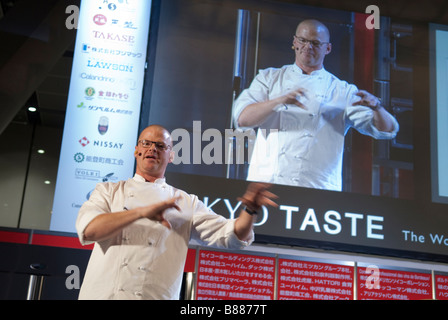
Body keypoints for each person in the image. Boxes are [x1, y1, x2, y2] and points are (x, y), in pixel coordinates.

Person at [75, 124, 277, 300]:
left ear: (170, 155)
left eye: (161, 146)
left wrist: (250, 210)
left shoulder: (186, 202)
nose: (152, 149)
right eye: (146, 143)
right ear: (136, 150)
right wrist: (141, 212)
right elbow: (90, 230)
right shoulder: (109, 191)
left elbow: (232, 235)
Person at [233, 19, 399, 191]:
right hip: (266, 183)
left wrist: (377, 108)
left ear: (327, 48)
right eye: (303, 41)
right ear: (294, 42)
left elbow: (386, 131)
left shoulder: (342, 91)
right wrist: (279, 101)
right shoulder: (269, 78)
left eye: (315, 43)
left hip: (318, 189)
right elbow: (242, 119)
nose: (308, 47)